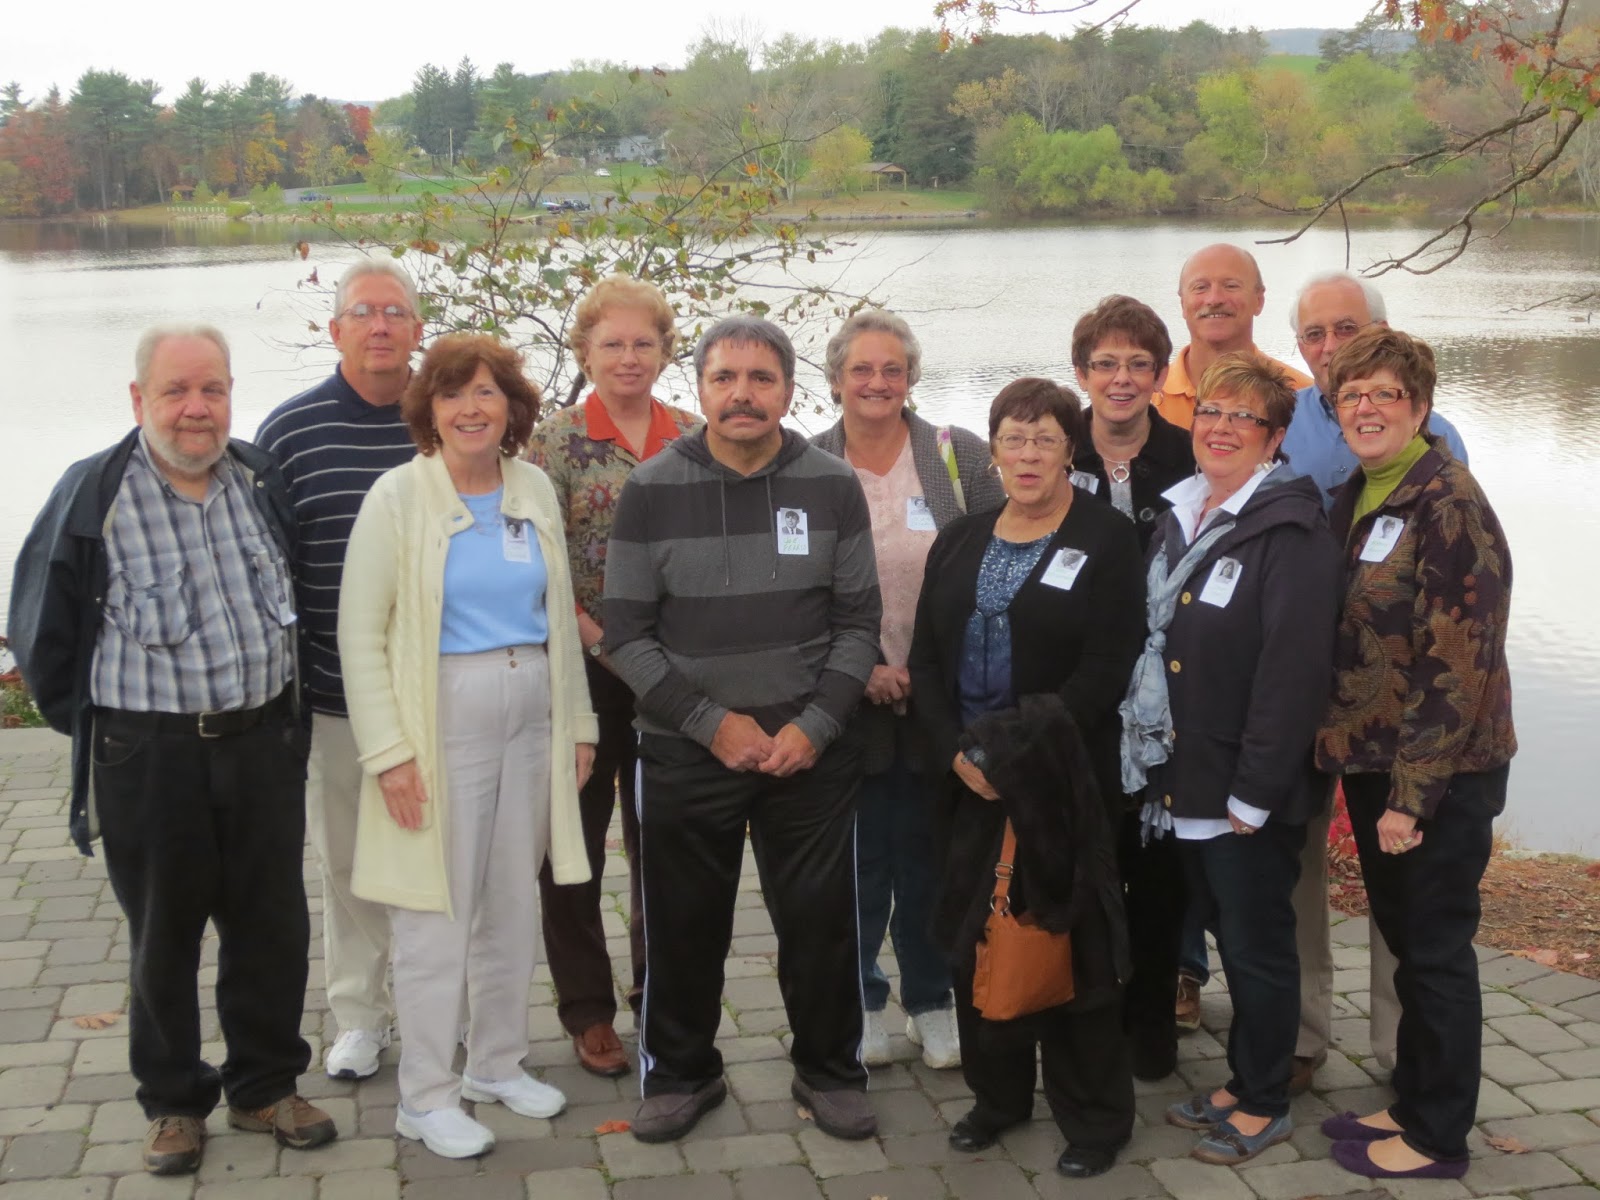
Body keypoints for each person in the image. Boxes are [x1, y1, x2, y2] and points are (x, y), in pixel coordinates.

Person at [7, 325, 337, 1176]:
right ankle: (173, 1103)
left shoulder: (260, 480)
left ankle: (265, 1084)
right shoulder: (94, 495)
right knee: (164, 935)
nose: (197, 409)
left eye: (213, 390)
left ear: (231, 393)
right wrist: (101, 732)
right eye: (177, 391)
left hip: (263, 744)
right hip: (148, 757)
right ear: (138, 399)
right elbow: (40, 636)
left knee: (272, 925)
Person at [604, 316, 882, 1144]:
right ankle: (682, 1075)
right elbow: (625, 633)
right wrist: (708, 723)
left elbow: (859, 623)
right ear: (699, 390)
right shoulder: (650, 488)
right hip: (689, 750)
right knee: (685, 924)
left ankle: (830, 1071)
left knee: (821, 923)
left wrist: (818, 725)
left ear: (791, 391)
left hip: (811, 753)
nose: (743, 395)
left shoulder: (832, 483)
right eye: (725, 379)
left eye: (761, 380)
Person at [338, 334, 596, 1160]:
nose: (471, 409)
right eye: (452, 395)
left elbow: (561, 618)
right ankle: (424, 1093)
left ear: (511, 407)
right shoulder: (397, 496)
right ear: (429, 410)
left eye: (486, 392)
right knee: (434, 917)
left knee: (513, 905)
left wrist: (580, 723)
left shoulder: (530, 489)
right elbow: (358, 634)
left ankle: (495, 1063)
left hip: (532, 715)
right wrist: (387, 753)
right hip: (440, 720)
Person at [907, 377, 1143, 1180]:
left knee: (1070, 942)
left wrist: (1009, 756)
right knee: (975, 938)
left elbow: (1106, 667)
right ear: (994, 449)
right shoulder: (962, 537)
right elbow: (927, 661)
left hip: (1062, 781)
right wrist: (954, 753)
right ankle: (997, 1098)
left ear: (1068, 449)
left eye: (1045, 438)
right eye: (1014, 437)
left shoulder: (1106, 538)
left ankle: (1095, 1119)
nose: (1029, 453)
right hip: (964, 781)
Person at [1122, 352, 1340, 1166]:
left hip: (1243, 789)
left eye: (1242, 418)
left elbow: (1291, 672)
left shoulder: (1289, 531)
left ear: (1275, 439)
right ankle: (1245, 1078)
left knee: (1256, 945)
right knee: (1220, 932)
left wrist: (1256, 790)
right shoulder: (1181, 512)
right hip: (1182, 776)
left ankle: (1263, 1098)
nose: (1219, 428)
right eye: (1210, 413)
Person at [1315, 327, 1515, 1182]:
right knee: (1406, 939)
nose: (1364, 408)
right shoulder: (1361, 494)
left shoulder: (1447, 503)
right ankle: (1414, 1099)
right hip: (1372, 760)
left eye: (1383, 394)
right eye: (1350, 395)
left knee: (1434, 951)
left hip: (1439, 773)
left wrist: (1413, 796)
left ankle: (1439, 1137)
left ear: (1421, 406)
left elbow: (1458, 660)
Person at [1278, 270, 1471, 1092]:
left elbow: (1457, 623)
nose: (1332, 350)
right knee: (1301, 880)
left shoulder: (1440, 458)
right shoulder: (1279, 428)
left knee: (1411, 908)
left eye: (1347, 330)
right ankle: (1302, 1040)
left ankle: (1407, 1059)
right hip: (1312, 707)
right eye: (1316, 336)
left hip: (1402, 727)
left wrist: (1419, 777)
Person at [811, 309, 1003, 1071]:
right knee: (857, 863)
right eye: (862, 369)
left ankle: (932, 999)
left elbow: (996, 565)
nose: (878, 382)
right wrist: (857, 668)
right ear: (834, 381)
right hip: (841, 695)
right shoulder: (806, 462)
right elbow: (793, 588)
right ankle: (861, 1000)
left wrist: (922, 672)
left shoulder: (959, 459)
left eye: (892, 369)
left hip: (936, 696)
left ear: (912, 377)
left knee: (930, 859)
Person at [524, 274, 699, 1078]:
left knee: (666, 846)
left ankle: (660, 1000)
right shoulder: (552, 446)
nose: (628, 357)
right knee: (576, 848)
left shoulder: (696, 438)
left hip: (675, 676)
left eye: (643, 343)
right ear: (584, 350)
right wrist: (603, 643)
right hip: (584, 670)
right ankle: (588, 1013)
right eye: (611, 344)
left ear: (666, 350)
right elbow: (544, 565)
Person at [255, 258, 426, 1080]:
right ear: (336, 330)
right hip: (331, 693)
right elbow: (269, 569)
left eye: (396, 312)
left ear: (418, 329)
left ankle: (440, 1007)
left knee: (438, 860)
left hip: (439, 690)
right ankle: (359, 1015)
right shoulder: (289, 433)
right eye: (364, 312)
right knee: (349, 862)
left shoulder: (450, 417)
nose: (381, 326)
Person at [1066, 294, 1196, 1079]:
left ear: (1158, 373)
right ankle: (1086, 1017)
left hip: (1167, 701)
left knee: (1157, 871)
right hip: (1078, 692)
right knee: (1086, 865)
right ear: (1081, 372)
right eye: (1105, 364)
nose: (1121, 379)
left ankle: (1152, 1024)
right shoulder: (1053, 445)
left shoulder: (1190, 455)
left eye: (1138, 364)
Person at [1152, 244, 1310, 430]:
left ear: (1259, 300)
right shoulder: (1146, 396)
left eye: (1231, 286)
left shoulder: (1301, 397)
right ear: (1182, 303)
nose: (1214, 299)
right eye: (1200, 287)